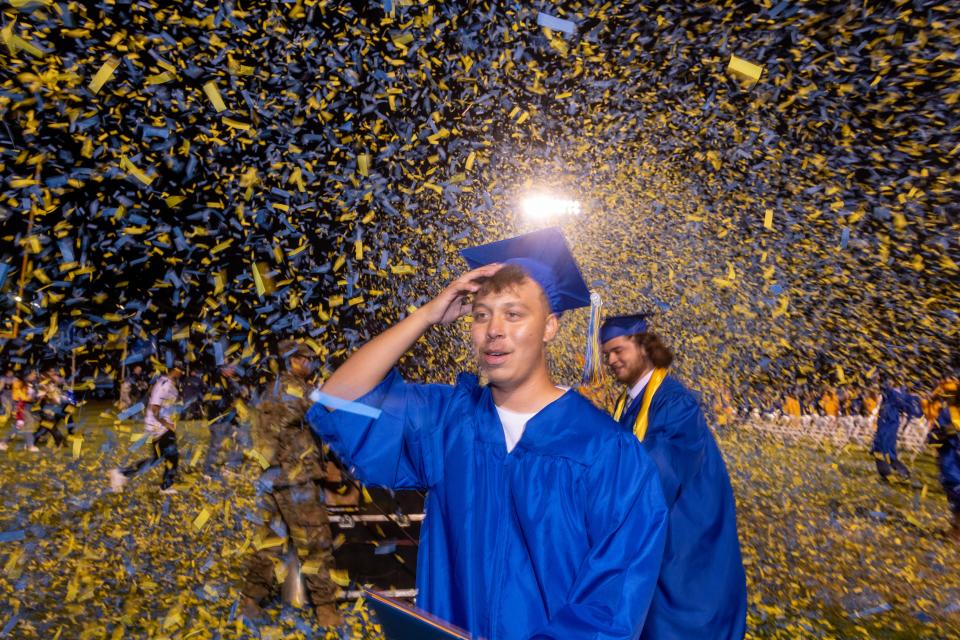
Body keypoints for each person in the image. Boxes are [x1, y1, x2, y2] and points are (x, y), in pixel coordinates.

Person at [308, 228, 669, 640]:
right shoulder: (449, 422)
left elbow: (612, 606)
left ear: (550, 326)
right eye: (481, 315)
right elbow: (336, 403)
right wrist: (426, 316)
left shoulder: (607, 451)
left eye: (514, 314)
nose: (494, 330)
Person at [600, 313, 747, 640]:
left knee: (676, 623)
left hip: (684, 536)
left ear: (643, 347)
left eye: (618, 350)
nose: (610, 360)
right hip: (658, 531)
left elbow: (659, 469)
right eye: (606, 353)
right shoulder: (630, 402)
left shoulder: (673, 400)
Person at [240, 341, 341, 628]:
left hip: (273, 478)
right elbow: (326, 411)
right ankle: (326, 609)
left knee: (269, 543)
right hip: (296, 479)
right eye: (309, 359)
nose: (312, 365)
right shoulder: (295, 389)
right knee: (315, 541)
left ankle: (251, 600)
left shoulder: (270, 390)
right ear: (295, 360)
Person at [109, 362, 184, 494]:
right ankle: (165, 487)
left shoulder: (167, 383)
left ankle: (122, 473)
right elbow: (155, 408)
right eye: (181, 370)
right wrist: (166, 424)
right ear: (175, 370)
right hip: (159, 427)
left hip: (158, 425)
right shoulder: (164, 385)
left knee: (156, 458)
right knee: (173, 457)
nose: (182, 373)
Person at [202, 360, 251, 478]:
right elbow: (213, 399)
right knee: (216, 443)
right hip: (218, 418)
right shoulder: (215, 380)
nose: (233, 370)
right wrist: (232, 403)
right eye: (231, 368)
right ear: (223, 369)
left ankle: (229, 466)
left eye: (234, 368)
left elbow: (242, 395)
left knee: (238, 438)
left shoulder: (231, 381)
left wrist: (243, 395)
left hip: (229, 418)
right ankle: (210, 470)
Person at [926, 377, 960, 541]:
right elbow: (931, 439)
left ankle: (955, 532)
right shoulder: (948, 413)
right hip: (952, 466)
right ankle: (955, 532)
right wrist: (944, 432)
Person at [871, 379, 923, 481]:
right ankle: (890, 474)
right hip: (884, 425)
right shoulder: (894, 396)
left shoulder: (895, 394)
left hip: (889, 426)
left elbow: (914, 411)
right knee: (880, 450)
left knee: (884, 451)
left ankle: (902, 474)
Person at [33, 364, 67, 448]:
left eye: (54, 371)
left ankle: (32, 440)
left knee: (44, 428)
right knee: (51, 426)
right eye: (51, 371)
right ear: (45, 372)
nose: (54, 372)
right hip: (47, 407)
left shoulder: (52, 380)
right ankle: (60, 442)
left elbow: (62, 383)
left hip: (54, 407)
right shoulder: (42, 381)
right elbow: (39, 395)